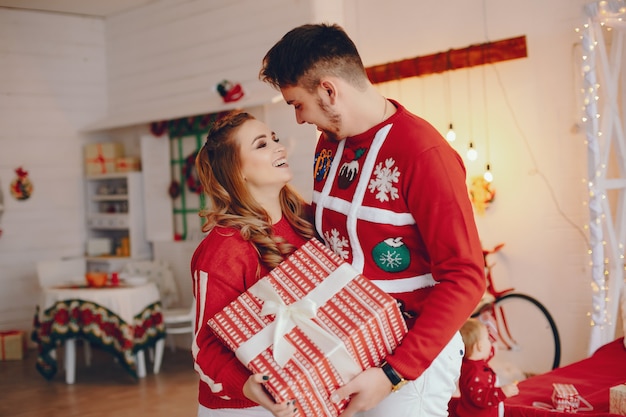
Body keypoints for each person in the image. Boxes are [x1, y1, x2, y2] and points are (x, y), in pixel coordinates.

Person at [260, 23, 486, 417]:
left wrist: (392, 374)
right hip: (348, 344)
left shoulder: (423, 153)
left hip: (407, 359)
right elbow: (332, 230)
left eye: (297, 104)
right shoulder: (328, 144)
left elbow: (465, 277)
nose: (298, 119)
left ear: (329, 91)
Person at [191, 111, 314, 417]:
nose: (279, 147)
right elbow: (204, 348)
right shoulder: (223, 249)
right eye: (261, 145)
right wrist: (247, 385)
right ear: (238, 171)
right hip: (243, 408)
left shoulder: (308, 220)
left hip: (304, 392)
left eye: (274, 139)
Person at [455, 318, 519, 417]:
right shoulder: (473, 372)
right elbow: (480, 397)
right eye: (488, 339)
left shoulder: (472, 362)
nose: (491, 343)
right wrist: (502, 392)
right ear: (480, 346)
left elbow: (489, 353)